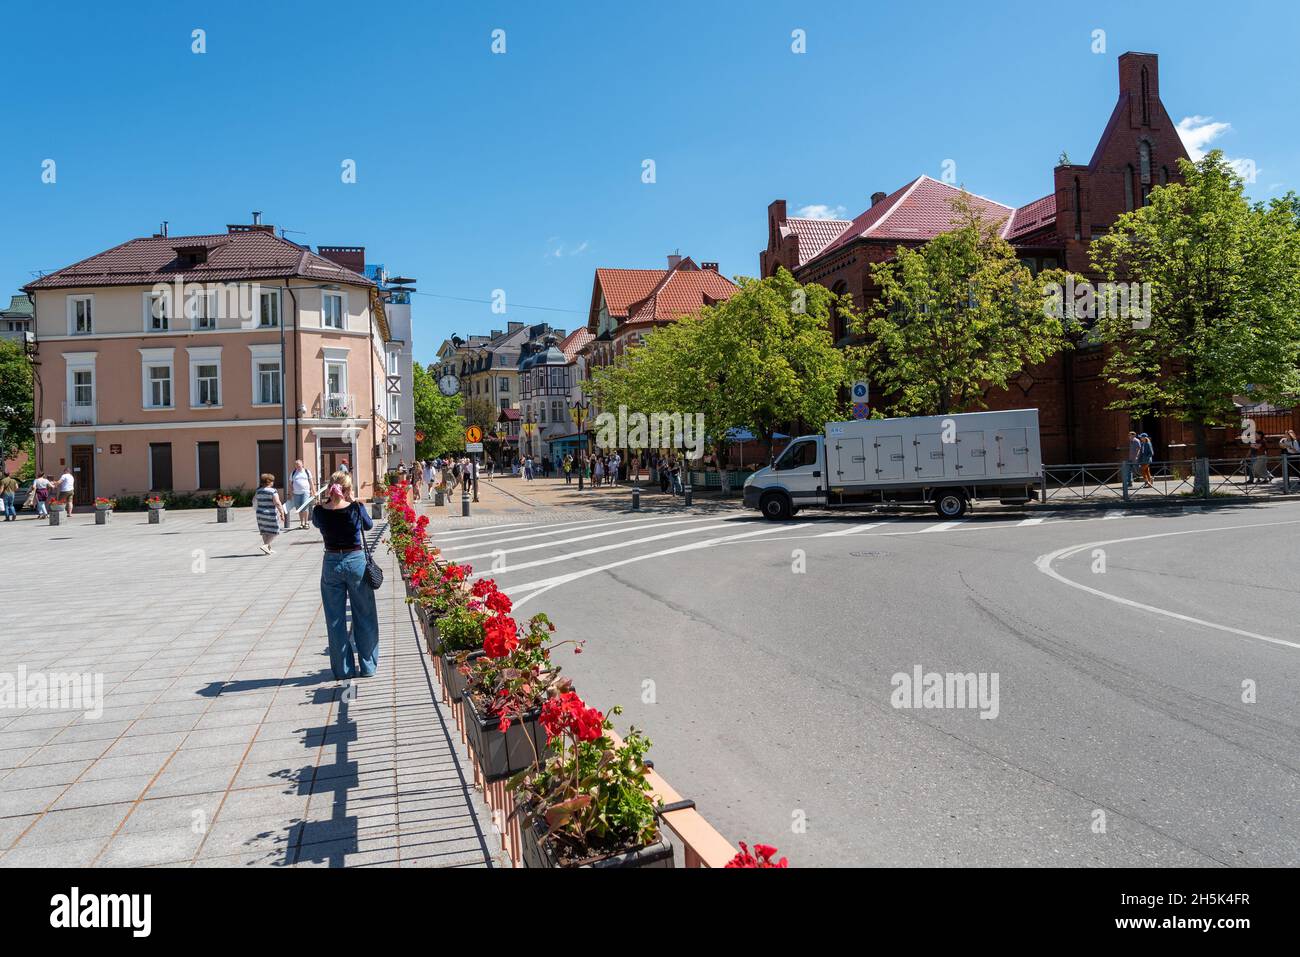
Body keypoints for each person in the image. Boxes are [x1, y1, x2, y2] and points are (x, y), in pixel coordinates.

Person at [311, 471, 379, 681]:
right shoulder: (355, 508)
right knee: (364, 614)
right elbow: (368, 525)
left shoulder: (319, 511)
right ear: (348, 489)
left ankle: (343, 670)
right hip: (355, 561)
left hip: (331, 562)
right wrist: (353, 501)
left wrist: (327, 502)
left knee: (335, 619)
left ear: (330, 488)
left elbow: (316, 523)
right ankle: (367, 667)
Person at [254, 472, 287, 553]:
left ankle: (267, 548)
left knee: (265, 531)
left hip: (260, 514)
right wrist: (282, 513)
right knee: (275, 530)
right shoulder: (273, 491)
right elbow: (277, 503)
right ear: (269, 482)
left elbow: (254, 501)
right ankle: (265, 545)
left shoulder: (258, 491)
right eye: (272, 481)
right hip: (270, 513)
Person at [289, 459, 314, 529]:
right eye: (296, 465)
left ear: (302, 464)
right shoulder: (293, 473)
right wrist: (291, 493)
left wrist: (314, 492)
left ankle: (306, 522)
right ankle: (302, 522)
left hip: (305, 492)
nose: (297, 466)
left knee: (305, 507)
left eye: (299, 465)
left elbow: (311, 482)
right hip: (296, 493)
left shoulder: (307, 471)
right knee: (299, 508)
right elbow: (290, 483)